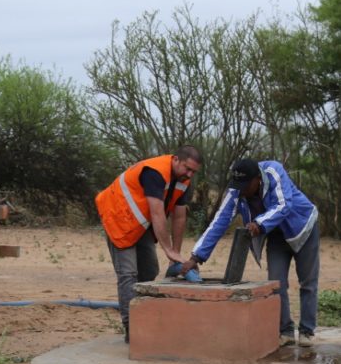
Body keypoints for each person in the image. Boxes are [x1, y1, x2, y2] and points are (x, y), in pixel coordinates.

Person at [180, 158, 319, 347]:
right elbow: (219, 221)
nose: (242, 190)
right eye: (239, 186)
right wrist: (195, 256)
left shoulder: (273, 171)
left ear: (257, 180)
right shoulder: (237, 191)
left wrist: (259, 224)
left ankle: (307, 331)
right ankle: (285, 330)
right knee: (277, 283)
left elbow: (282, 205)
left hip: (303, 227)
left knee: (307, 282)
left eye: (246, 185)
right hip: (276, 234)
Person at [96, 145, 202, 342]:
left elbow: (179, 217)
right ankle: (132, 329)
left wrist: (175, 256)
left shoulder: (184, 180)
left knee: (149, 270)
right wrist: (168, 250)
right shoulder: (154, 172)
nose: (189, 174)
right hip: (118, 218)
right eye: (187, 169)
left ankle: (143, 318)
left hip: (139, 222)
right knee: (128, 273)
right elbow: (157, 212)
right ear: (176, 159)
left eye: (194, 171)